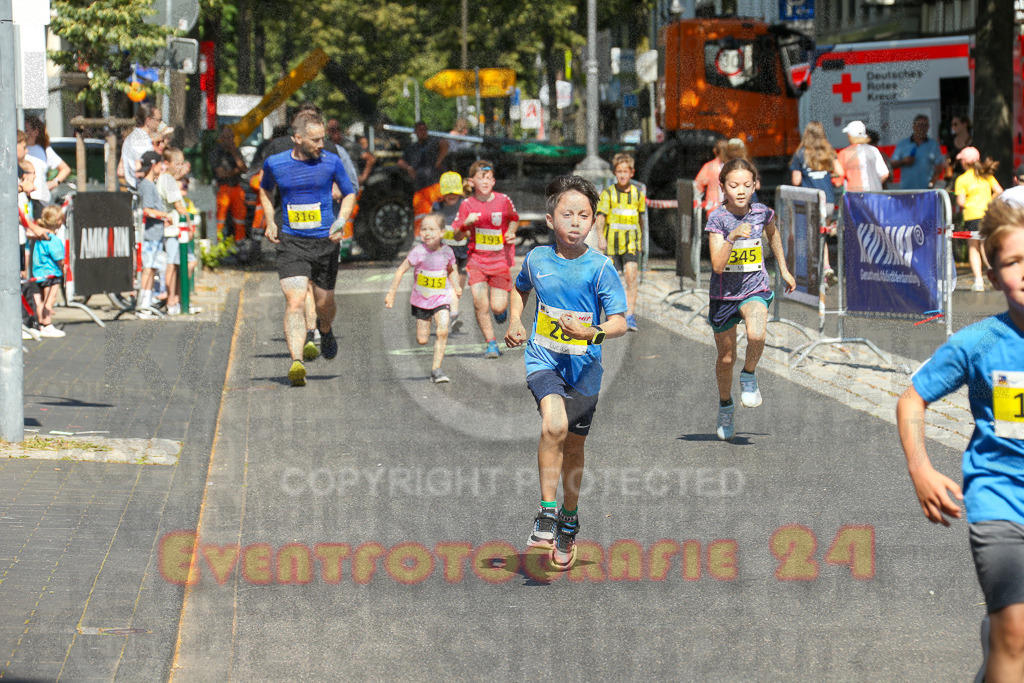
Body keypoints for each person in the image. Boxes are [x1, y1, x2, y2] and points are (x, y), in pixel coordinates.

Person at [895, 197, 1024, 683]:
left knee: (1010, 640)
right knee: (1017, 633)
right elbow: (911, 400)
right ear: (993, 276)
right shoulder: (980, 343)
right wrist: (920, 468)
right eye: (1014, 262)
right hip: (1000, 499)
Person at [505, 175, 628, 571]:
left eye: (584, 215)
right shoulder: (537, 259)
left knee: (574, 447)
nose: (575, 222)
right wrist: (515, 321)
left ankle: (568, 521)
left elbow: (621, 322)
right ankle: (545, 514)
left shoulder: (601, 268)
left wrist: (593, 330)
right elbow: (520, 288)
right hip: (544, 359)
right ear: (549, 219)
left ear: (594, 222)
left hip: (585, 369)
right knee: (553, 426)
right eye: (567, 214)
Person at [259, 111, 356, 387]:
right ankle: (297, 362)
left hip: (325, 241)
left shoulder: (331, 162)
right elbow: (265, 191)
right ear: (297, 138)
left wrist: (341, 220)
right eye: (315, 140)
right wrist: (270, 221)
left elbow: (349, 193)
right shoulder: (275, 163)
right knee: (295, 301)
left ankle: (325, 329)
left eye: (323, 138)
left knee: (324, 303)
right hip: (291, 242)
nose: (321, 144)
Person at [705, 158, 796, 441]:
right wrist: (731, 236)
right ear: (723, 187)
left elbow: (773, 233)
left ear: (755, 185)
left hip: (754, 288)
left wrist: (783, 268)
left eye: (747, 185)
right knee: (726, 356)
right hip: (724, 295)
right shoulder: (717, 219)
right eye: (734, 185)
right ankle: (725, 406)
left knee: (757, 335)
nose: (741, 191)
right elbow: (718, 266)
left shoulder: (762, 212)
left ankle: (749, 374)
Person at [451, 159, 519, 358]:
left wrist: (511, 232)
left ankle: (500, 312)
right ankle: (491, 343)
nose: (486, 181)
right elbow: (457, 236)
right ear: (472, 181)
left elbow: (514, 219)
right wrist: (465, 224)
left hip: (499, 261)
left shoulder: (503, 200)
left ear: (494, 181)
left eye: (489, 178)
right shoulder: (467, 204)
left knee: (498, 306)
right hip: (477, 261)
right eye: (482, 177)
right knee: (480, 304)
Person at [384, 213, 462, 383]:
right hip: (421, 301)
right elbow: (400, 270)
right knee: (422, 339)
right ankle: (432, 360)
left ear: (442, 232)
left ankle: (437, 369)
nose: (426, 233)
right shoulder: (418, 252)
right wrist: (391, 293)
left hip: (441, 299)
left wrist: (456, 285)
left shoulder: (448, 251)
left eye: (431, 230)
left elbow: (451, 270)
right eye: (423, 229)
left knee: (442, 331)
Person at [790, 121, 845, 285]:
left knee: (812, 237)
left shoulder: (800, 154)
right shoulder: (828, 152)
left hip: (811, 201)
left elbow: (796, 180)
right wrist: (829, 177)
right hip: (827, 200)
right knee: (820, 235)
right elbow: (840, 172)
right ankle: (826, 268)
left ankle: (816, 271)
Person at [596, 152, 646, 331]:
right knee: (612, 280)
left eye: (626, 171)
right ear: (615, 173)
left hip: (631, 243)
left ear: (632, 173)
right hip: (612, 244)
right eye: (619, 171)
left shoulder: (637, 194)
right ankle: (614, 315)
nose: (622, 175)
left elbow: (640, 219)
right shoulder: (608, 194)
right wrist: (600, 237)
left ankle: (630, 316)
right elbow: (600, 217)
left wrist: (641, 241)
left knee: (632, 277)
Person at [955, 147, 1004, 292]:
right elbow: (999, 191)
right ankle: (994, 274)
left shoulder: (962, 179)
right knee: (986, 245)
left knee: (973, 247)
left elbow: (961, 202)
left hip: (972, 216)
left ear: (964, 162)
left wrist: (971, 203)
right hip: (987, 214)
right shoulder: (986, 175)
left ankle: (978, 281)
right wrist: (988, 202)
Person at [136, 151, 173, 319]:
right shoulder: (147, 185)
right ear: (154, 165)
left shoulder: (148, 184)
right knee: (148, 269)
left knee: (151, 269)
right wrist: (164, 215)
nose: (162, 167)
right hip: (149, 235)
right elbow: (146, 210)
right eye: (160, 164)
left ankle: (146, 303)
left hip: (154, 233)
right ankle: (143, 305)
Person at [397, 121, 449, 237]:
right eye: (420, 130)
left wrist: (439, 160)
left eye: (425, 130)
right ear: (415, 132)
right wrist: (409, 168)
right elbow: (400, 162)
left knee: (438, 216)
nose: (423, 132)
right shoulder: (412, 148)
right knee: (421, 217)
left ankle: (440, 240)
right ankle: (419, 242)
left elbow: (445, 144)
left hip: (435, 186)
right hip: (420, 188)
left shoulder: (433, 142)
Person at [434, 171, 469, 333]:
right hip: (444, 254)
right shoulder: (437, 208)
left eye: (454, 193)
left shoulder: (465, 205)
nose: (451, 196)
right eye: (447, 193)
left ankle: (450, 313)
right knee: (448, 286)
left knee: (457, 289)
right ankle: (451, 315)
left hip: (462, 253)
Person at [158, 147, 191, 315]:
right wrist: (189, 224)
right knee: (173, 264)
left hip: (176, 228)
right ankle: (173, 300)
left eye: (182, 163)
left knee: (185, 263)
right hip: (174, 229)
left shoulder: (168, 178)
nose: (180, 167)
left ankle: (178, 298)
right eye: (177, 164)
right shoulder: (168, 181)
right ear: (166, 163)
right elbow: (178, 205)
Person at [30, 205, 67, 338]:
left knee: (39, 301)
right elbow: (59, 259)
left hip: (37, 273)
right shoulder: (54, 240)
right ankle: (47, 324)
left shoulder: (38, 237)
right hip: (51, 274)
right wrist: (63, 269)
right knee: (49, 301)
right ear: (58, 220)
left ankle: (40, 324)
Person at [210, 126, 248, 242]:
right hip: (223, 188)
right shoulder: (217, 153)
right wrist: (236, 171)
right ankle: (218, 243)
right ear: (221, 138)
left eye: (231, 137)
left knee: (240, 218)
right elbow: (221, 174)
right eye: (226, 137)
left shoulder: (236, 151)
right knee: (220, 218)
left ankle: (240, 243)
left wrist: (235, 154)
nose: (229, 140)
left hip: (236, 187)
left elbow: (244, 169)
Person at [890, 115, 945, 190]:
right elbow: (892, 164)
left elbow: (939, 167)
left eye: (925, 125)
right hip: (907, 190)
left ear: (928, 127)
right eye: (920, 125)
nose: (922, 128)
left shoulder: (933, 145)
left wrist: (931, 183)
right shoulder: (903, 144)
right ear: (914, 126)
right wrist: (903, 161)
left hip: (925, 190)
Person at [836, 120, 889, 192]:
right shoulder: (873, 150)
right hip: (874, 196)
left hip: (854, 196)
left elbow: (838, 181)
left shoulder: (844, 153)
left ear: (850, 136)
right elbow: (884, 174)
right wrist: (875, 185)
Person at [23, 115, 71, 193]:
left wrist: (54, 182)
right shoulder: (19, 149)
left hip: (41, 198)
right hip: (25, 197)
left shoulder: (44, 150)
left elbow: (65, 169)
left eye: (26, 129)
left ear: (36, 131)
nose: (24, 133)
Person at [121, 104, 161, 192]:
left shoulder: (131, 137)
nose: (160, 123)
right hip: (142, 187)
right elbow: (142, 168)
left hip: (135, 185)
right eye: (159, 120)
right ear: (148, 120)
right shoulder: (142, 141)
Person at [695, 139, 729, 215]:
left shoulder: (709, 166)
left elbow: (697, 185)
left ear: (714, 151)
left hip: (714, 209)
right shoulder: (733, 166)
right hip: (732, 210)